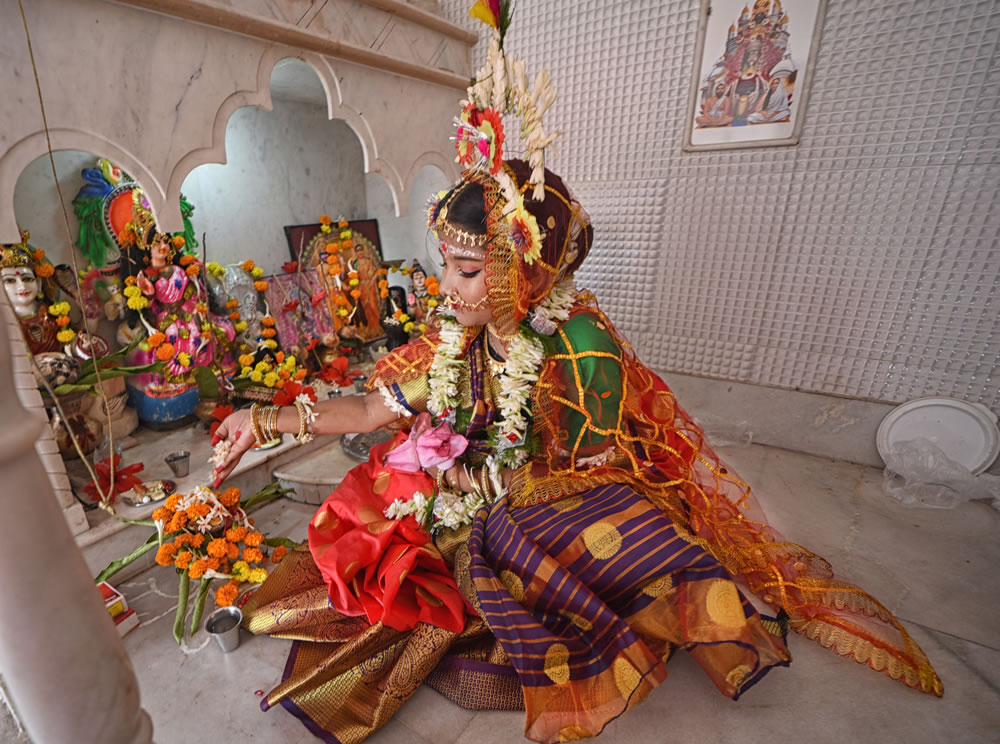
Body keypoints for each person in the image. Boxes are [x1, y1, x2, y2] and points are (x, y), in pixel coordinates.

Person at [211, 10, 941, 743]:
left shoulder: (580, 346)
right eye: (444, 266)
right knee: (373, 503)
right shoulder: (451, 334)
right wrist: (267, 421)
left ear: (523, 269)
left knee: (561, 548)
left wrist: (487, 485)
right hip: (469, 476)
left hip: (557, 492)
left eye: (465, 271)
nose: (446, 288)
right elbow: (375, 409)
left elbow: (596, 468)